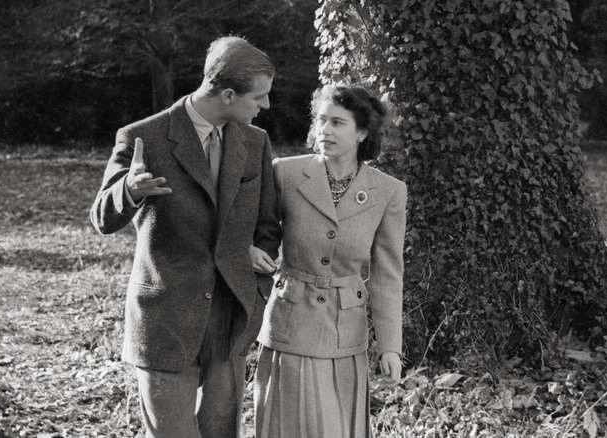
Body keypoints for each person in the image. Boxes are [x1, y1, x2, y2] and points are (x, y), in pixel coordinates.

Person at [90, 36, 281, 438]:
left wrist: (254, 269)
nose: (265, 106)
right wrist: (129, 190)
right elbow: (101, 218)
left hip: (230, 320)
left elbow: (266, 225)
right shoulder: (143, 137)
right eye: (259, 97)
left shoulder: (254, 141)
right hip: (166, 320)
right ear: (228, 94)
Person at [249, 84, 407, 437]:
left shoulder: (389, 192)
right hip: (290, 322)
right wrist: (251, 249)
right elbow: (259, 232)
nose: (325, 130)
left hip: (344, 333)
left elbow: (387, 274)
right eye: (321, 120)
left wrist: (390, 346)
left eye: (337, 123)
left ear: (362, 132)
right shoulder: (285, 173)